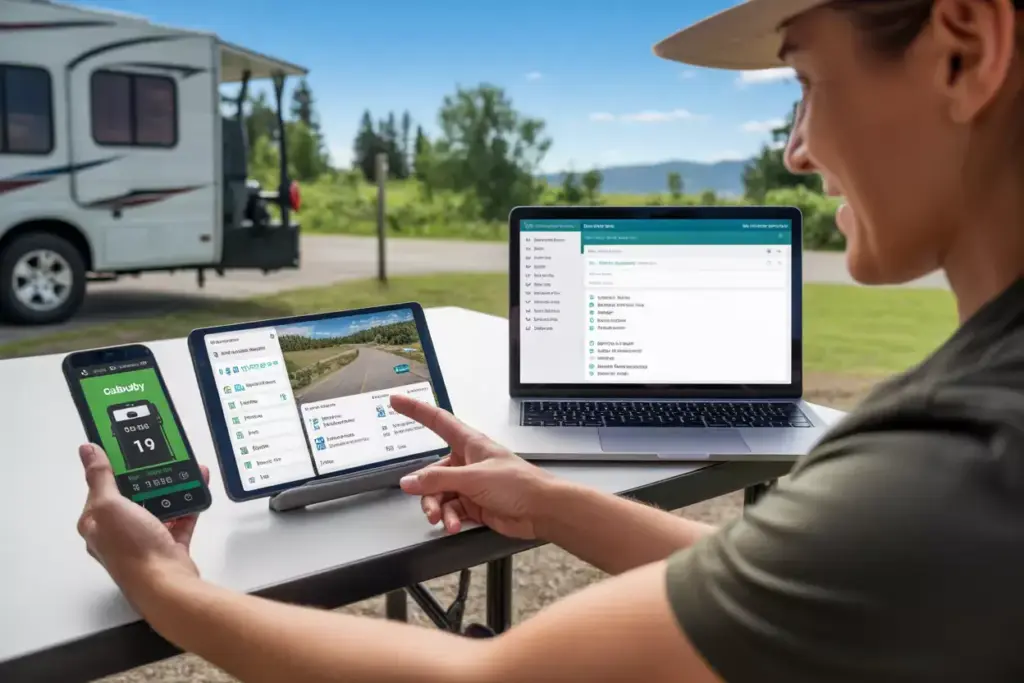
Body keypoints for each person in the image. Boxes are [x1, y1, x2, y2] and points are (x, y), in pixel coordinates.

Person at [77, 0, 1024, 680]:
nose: (797, 147)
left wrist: (170, 587)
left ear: (966, 48)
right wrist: (546, 500)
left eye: (807, 81)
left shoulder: (961, 462)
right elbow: (785, 578)